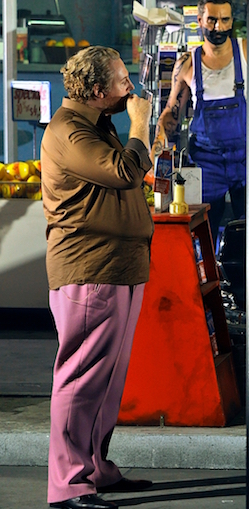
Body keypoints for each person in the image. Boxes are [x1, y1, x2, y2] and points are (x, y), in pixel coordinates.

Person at [41, 46, 155, 509]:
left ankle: (95, 469)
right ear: (96, 90)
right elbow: (126, 171)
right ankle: (67, 485)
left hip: (121, 268)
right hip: (90, 269)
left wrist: (157, 118)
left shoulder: (99, 126)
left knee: (107, 382)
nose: (130, 87)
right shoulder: (69, 132)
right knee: (81, 378)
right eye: (122, 80)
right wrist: (141, 124)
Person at [154, 0, 249, 244]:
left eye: (225, 20)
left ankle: (248, 279)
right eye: (212, 20)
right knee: (201, 232)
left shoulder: (248, 51)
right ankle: (209, 281)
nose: (218, 27)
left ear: (232, 22)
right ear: (200, 21)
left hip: (246, 158)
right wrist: (160, 135)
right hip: (206, 162)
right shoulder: (187, 64)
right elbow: (173, 111)